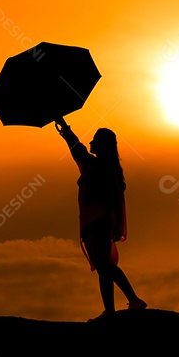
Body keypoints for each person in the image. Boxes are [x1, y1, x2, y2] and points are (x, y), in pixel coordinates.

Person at [55, 116, 147, 321]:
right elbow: (78, 149)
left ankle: (132, 300)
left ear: (103, 145)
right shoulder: (106, 168)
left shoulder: (99, 166)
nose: (91, 142)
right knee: (103, 267)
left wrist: (66, 130)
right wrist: (64, 129)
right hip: (94, 219)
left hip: (98, 220)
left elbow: (77, 149)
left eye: (95, 139)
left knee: (104, 266)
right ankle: (113, 309)